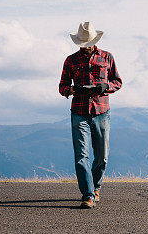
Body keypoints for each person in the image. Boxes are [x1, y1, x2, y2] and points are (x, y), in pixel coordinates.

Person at [59, 21, 122, 209]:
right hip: (79, 112)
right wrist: (72, 89)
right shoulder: (70, 60)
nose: (85, 47)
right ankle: (87, 194)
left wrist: (106, 87)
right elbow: (62, 87)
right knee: (81, 155)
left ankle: (96, 187)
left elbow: (117, 82)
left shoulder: (107, 57)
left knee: (102, 156)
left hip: (102, 111)